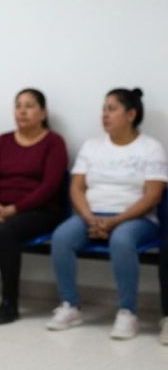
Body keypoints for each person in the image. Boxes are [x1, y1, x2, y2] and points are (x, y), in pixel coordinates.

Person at [47, 88, 168, 340]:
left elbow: (153, 195)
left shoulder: (151, 148)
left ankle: (127, 312)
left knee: (122, 240)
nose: (104, 115)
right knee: (61, 237)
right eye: (103, 109)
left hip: (137, 219)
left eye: (112, 109)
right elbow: (76, 187)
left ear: (131, 114)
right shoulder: (92, 147)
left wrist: (116, 221)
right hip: (91, 215)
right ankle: (70, 305)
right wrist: (90, 217)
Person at [0, 89, 68, 324]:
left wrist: (14, 210)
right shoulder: (4, 140)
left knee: (7, 232)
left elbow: (50, 186)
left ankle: (9, 303)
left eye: (29, 106)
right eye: (18, 106)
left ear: (43, 112)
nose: (22, 111)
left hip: (40, 210)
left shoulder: (53, 142)